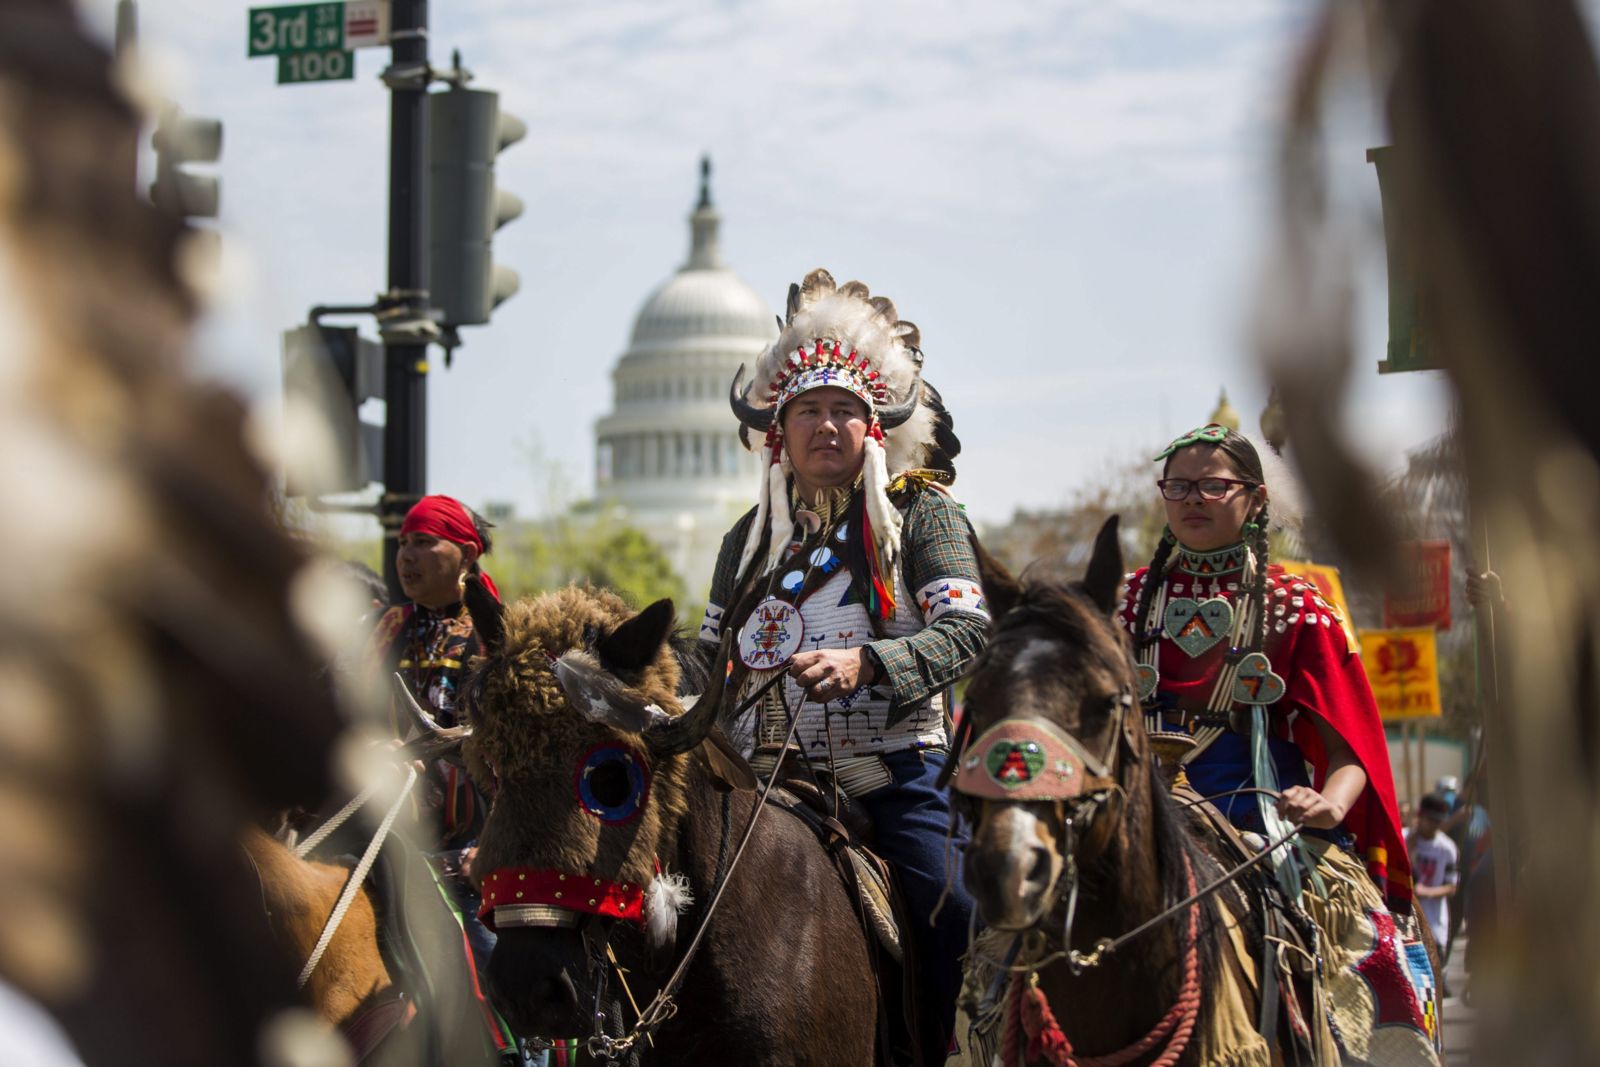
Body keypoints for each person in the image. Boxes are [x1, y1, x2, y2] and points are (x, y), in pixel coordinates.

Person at [708, 268, 986, 1064]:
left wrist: (868, 662)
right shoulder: (746, 538)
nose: (825, 426)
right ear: (777, 430)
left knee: (951, 904)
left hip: (891, 775)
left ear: (875, 427)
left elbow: (970, 633)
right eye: (808, 411)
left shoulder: (924, 515)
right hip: (757, 778)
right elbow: (707, 657)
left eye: (844, 411)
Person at [1119, 423, 1441, 1065]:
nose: (1194, 499)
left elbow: (1348, 750)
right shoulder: (1126, 601)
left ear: (1255, 499)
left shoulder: (1299, 606)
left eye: (1214, 485)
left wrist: (1329, 806)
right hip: (1142, 818)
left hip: (1265, 820)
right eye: (1178, 485)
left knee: (1367, 950)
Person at [365, 494, 522, 1063]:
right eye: (403, 542)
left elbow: (515, 751)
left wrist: (492, 846)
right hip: (381, 842)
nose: (406, 555)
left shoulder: (497, 633)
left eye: (424, 542)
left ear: (465, 554)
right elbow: (351, 713)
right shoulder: (387, 628)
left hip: (468, 853)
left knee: (494, 981)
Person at [1407, 793, 1460, 982]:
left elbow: (1452, 886)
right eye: (1431, 820)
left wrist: (1426, 892)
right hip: (1406, 925)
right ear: (1420, 815)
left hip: (1434, 926)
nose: (1434, 826)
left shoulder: (1447, 848)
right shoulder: (1405, 838)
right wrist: (1408, 847)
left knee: (1430, 986)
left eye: (1438, 821)